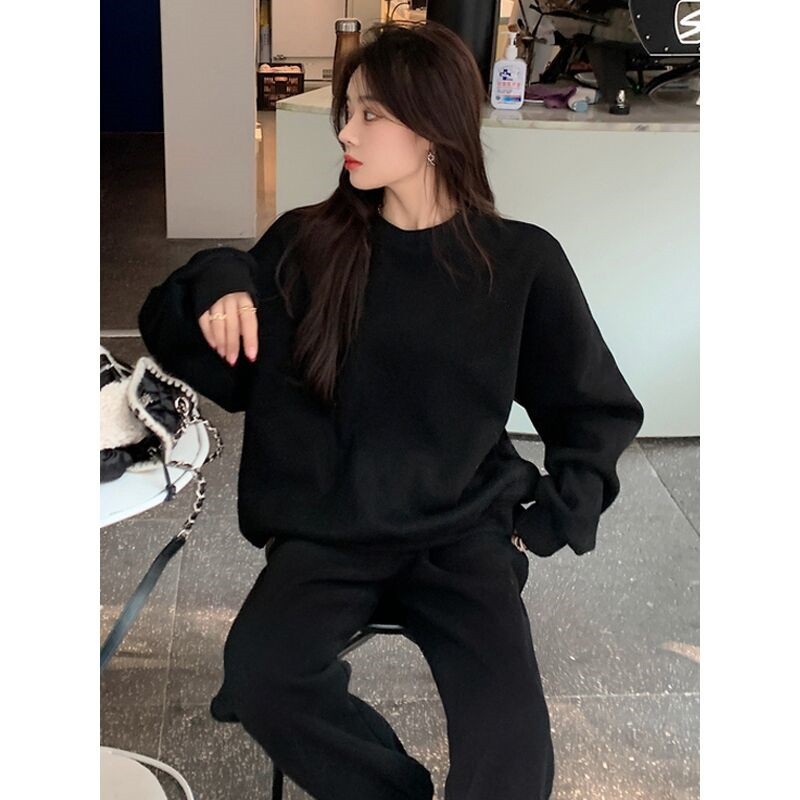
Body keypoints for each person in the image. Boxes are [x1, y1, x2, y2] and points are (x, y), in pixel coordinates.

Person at [138, 20, 644, 800]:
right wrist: (218, 282)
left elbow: (593, 407)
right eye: (348, 111)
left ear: (434, 128)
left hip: (461, 533)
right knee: (262, 677)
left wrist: (555, 514)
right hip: (329, 531)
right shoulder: (311, 244)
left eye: (370, 113)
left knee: (512, 760)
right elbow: (197, 323)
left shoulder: (518, 261)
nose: (345, 131)